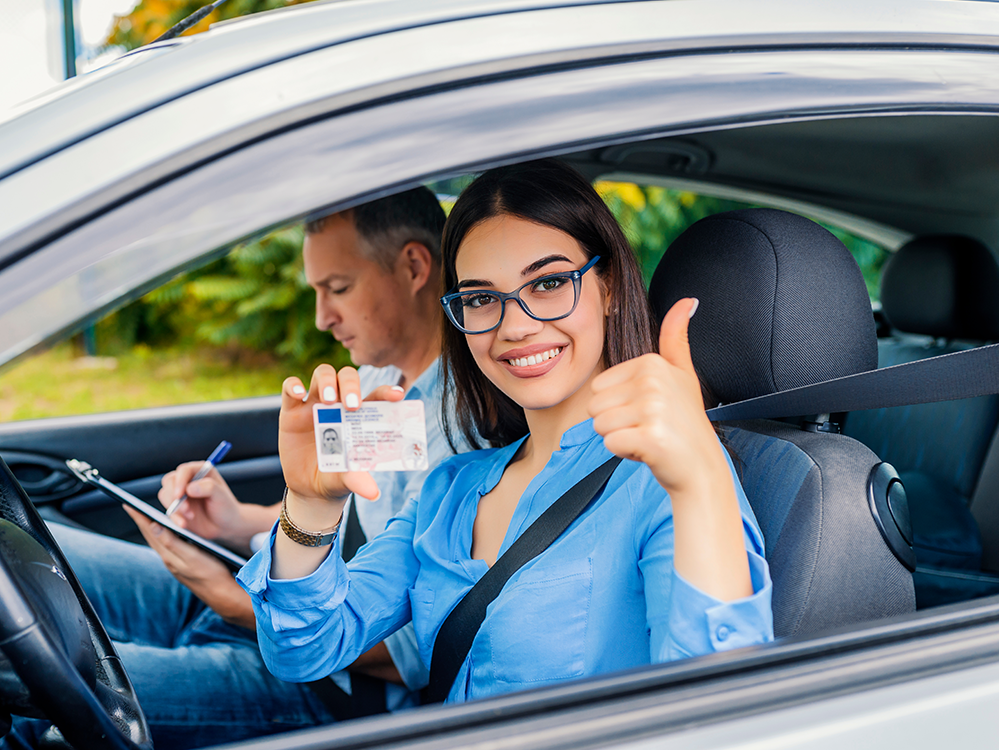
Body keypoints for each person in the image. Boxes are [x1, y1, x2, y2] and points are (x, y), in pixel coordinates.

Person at [239, 159, 774, 702]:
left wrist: (701, 476)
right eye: (480, 298)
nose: (514, 326)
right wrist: (308, 504)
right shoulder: (449, 490)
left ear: (608, 286)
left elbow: (719, 714)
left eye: (547, 283)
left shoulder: (670, 481)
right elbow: (303, 650)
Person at [4, 187, 452, 750]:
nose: (321, 317)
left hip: (331, 687)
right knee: (28, 554)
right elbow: (351, 518)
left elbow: (409, 654)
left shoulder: (458, 432)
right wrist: (235, 523)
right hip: (267, 597)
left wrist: (227, 598)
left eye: (337, 289)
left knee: (32, 701)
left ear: (413, 266)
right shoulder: (378, 384)